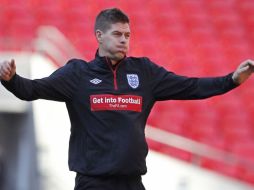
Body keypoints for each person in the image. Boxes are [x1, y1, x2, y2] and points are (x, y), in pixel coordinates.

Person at [0, 8, 254, 190]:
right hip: (92, 183)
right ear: (99, 36)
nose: (124, 40)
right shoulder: (77, 74)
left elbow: (191, 86)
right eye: (117, 34)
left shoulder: (144, 72)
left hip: (132, 182)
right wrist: (10, 79)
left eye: (127, 35)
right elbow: (31, 90)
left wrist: (231, 80)